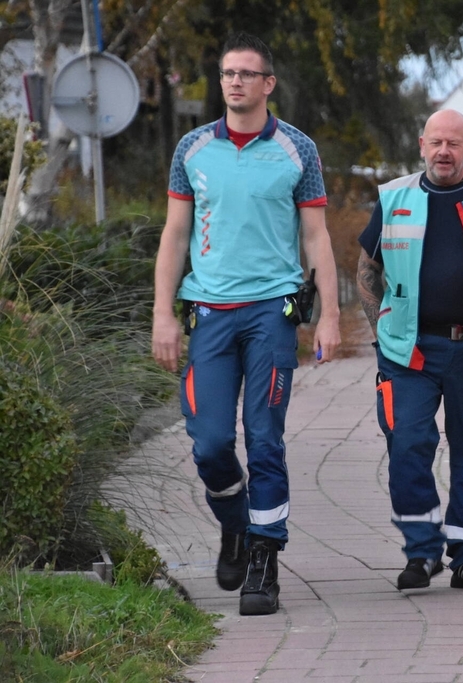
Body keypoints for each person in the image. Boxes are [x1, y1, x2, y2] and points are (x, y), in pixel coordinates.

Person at [151, 32, 341, 616]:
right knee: (209, 444)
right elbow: (175, 235)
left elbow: (315, 235)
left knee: (264, 439)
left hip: (271, 314)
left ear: (268, 84)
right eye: (227, 73)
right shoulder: (192, 149)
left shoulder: (297, 151)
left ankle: (264, 558)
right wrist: (162, 314)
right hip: (208, 313)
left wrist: (330, 316)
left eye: (245, 74)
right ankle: (236, 525)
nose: (234, 82)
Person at [356, 109, 463, 592]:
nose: (444, 152)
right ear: (421, 145)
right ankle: (422, 551)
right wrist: (382, 329)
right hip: (409, 352)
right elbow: (366, 270)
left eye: (454, 144)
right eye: (436, 143)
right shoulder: (394, 198)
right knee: (408, 445)